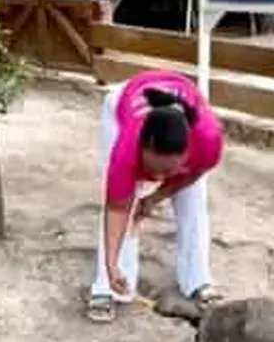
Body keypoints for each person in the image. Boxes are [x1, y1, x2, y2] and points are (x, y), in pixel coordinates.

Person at [87, 69, 224, 323]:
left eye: (168, 171)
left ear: (187, 153)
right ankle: (108, 285)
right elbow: (116, 208)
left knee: (193, 202)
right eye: (152, 169)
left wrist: (155, 198)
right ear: (141, 149)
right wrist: (111, 263)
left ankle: (198, 280)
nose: (159, 178)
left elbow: (193, 174)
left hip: (180, 102)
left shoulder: (208, 140)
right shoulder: (126, 150)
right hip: (123, 104)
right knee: (125, 204)